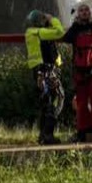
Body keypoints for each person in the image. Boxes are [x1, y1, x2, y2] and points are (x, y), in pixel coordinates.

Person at [61, 1, 92, 143]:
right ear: (78, 14)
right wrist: (75, 24)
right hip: (80, 71)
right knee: (81, 104)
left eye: (86, 10)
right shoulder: (75, 30)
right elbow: (66, 38)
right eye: (82, 11)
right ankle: (83, 131)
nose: (85, 12)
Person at [24, 9, 65, 144]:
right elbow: (59, 31)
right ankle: (48, 134)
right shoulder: (39, 33)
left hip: (40, 71)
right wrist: (53, 19)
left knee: (46, 102)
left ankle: (43, 135)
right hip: (46, 70)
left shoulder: (32, 33)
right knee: (57, 99)